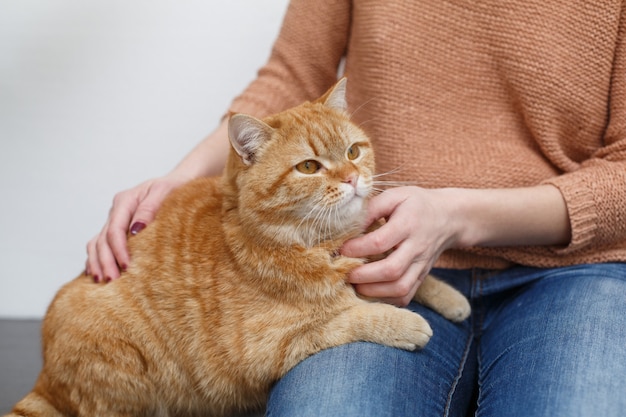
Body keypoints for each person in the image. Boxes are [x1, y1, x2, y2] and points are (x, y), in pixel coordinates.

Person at [85, 1, 626, 416]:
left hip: (574, 269)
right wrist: (177, 180)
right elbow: (291, 79)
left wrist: (456, 215)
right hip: (360, 260)